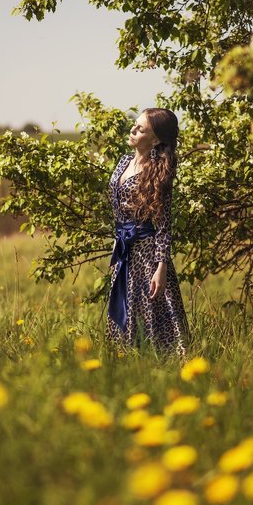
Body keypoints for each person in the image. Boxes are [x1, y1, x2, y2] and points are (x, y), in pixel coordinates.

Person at [105, 108, 191, 357]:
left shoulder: (158, 171)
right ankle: (125, 361)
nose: (133, 130)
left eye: (141, 129)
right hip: (125, 251)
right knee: (124, 310)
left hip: (147, 254)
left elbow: (163, 223)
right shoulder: (123, 162)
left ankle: (162, 366)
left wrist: (161, 266)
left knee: (152, 315)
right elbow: (118, 209)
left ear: (155, 140)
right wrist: (116, 243)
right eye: (135, 125)